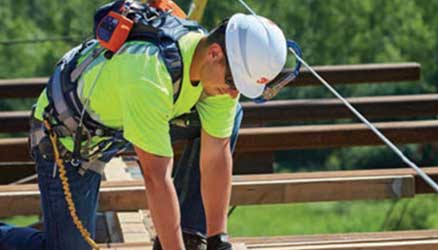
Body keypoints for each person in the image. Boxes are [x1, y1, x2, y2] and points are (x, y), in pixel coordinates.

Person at [0, 1, 288, 249]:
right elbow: (155, 178)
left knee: (230, 116)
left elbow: (215, 156)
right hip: (68, 139)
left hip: (117, 123)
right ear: (215, 53)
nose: (233, 92)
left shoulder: (217, 74)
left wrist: (218, 239)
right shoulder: (149, 75)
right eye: (233, 83)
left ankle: (190, 236)